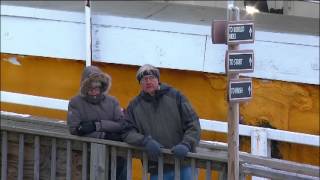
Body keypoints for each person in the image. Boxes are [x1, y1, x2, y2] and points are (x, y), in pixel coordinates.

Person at [122, 64, 201, 180]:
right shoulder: (134, 106)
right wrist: (145, 141)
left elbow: (193, 124)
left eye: (151, 77)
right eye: (144, 79)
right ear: (140, 83)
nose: (148, 81)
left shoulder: (176, 96)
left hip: (184, 162)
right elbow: (127, 132)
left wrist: (186, 144)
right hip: (157, 166)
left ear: (158, 79)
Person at [67, 65, 127, 180]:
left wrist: (97, 125)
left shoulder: (112, 101)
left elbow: (122, 124)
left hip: (116, 156)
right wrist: (102, 135)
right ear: (84, 87)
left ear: (102, 86)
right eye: (90, 88)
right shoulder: (76, 102)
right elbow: (75, 129)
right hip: (89, 156)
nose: (94, 92)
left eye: (97, 88)